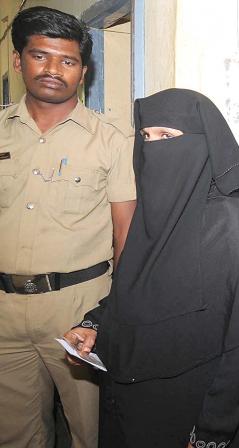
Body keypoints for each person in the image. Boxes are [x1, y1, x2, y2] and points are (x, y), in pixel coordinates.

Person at [62, 89, 239, 447]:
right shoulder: (153, 214)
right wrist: (94, 326)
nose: (153, 148)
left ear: (201, 143)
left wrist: (211, 431)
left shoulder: (234, 223)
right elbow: (134, 290)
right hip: (129, 401)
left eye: (167, 136)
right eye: (146, 137)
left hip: (188, 410)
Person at [0, 7, 136, 447]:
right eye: (40, 56)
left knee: (88, 430)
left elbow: (126, 237)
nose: (53, 70)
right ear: (18, 61)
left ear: (84, 70)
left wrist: (109, 315)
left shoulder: (110, 141)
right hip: (4, 310)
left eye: (68, 61)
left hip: (77, 308)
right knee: (14, 432)